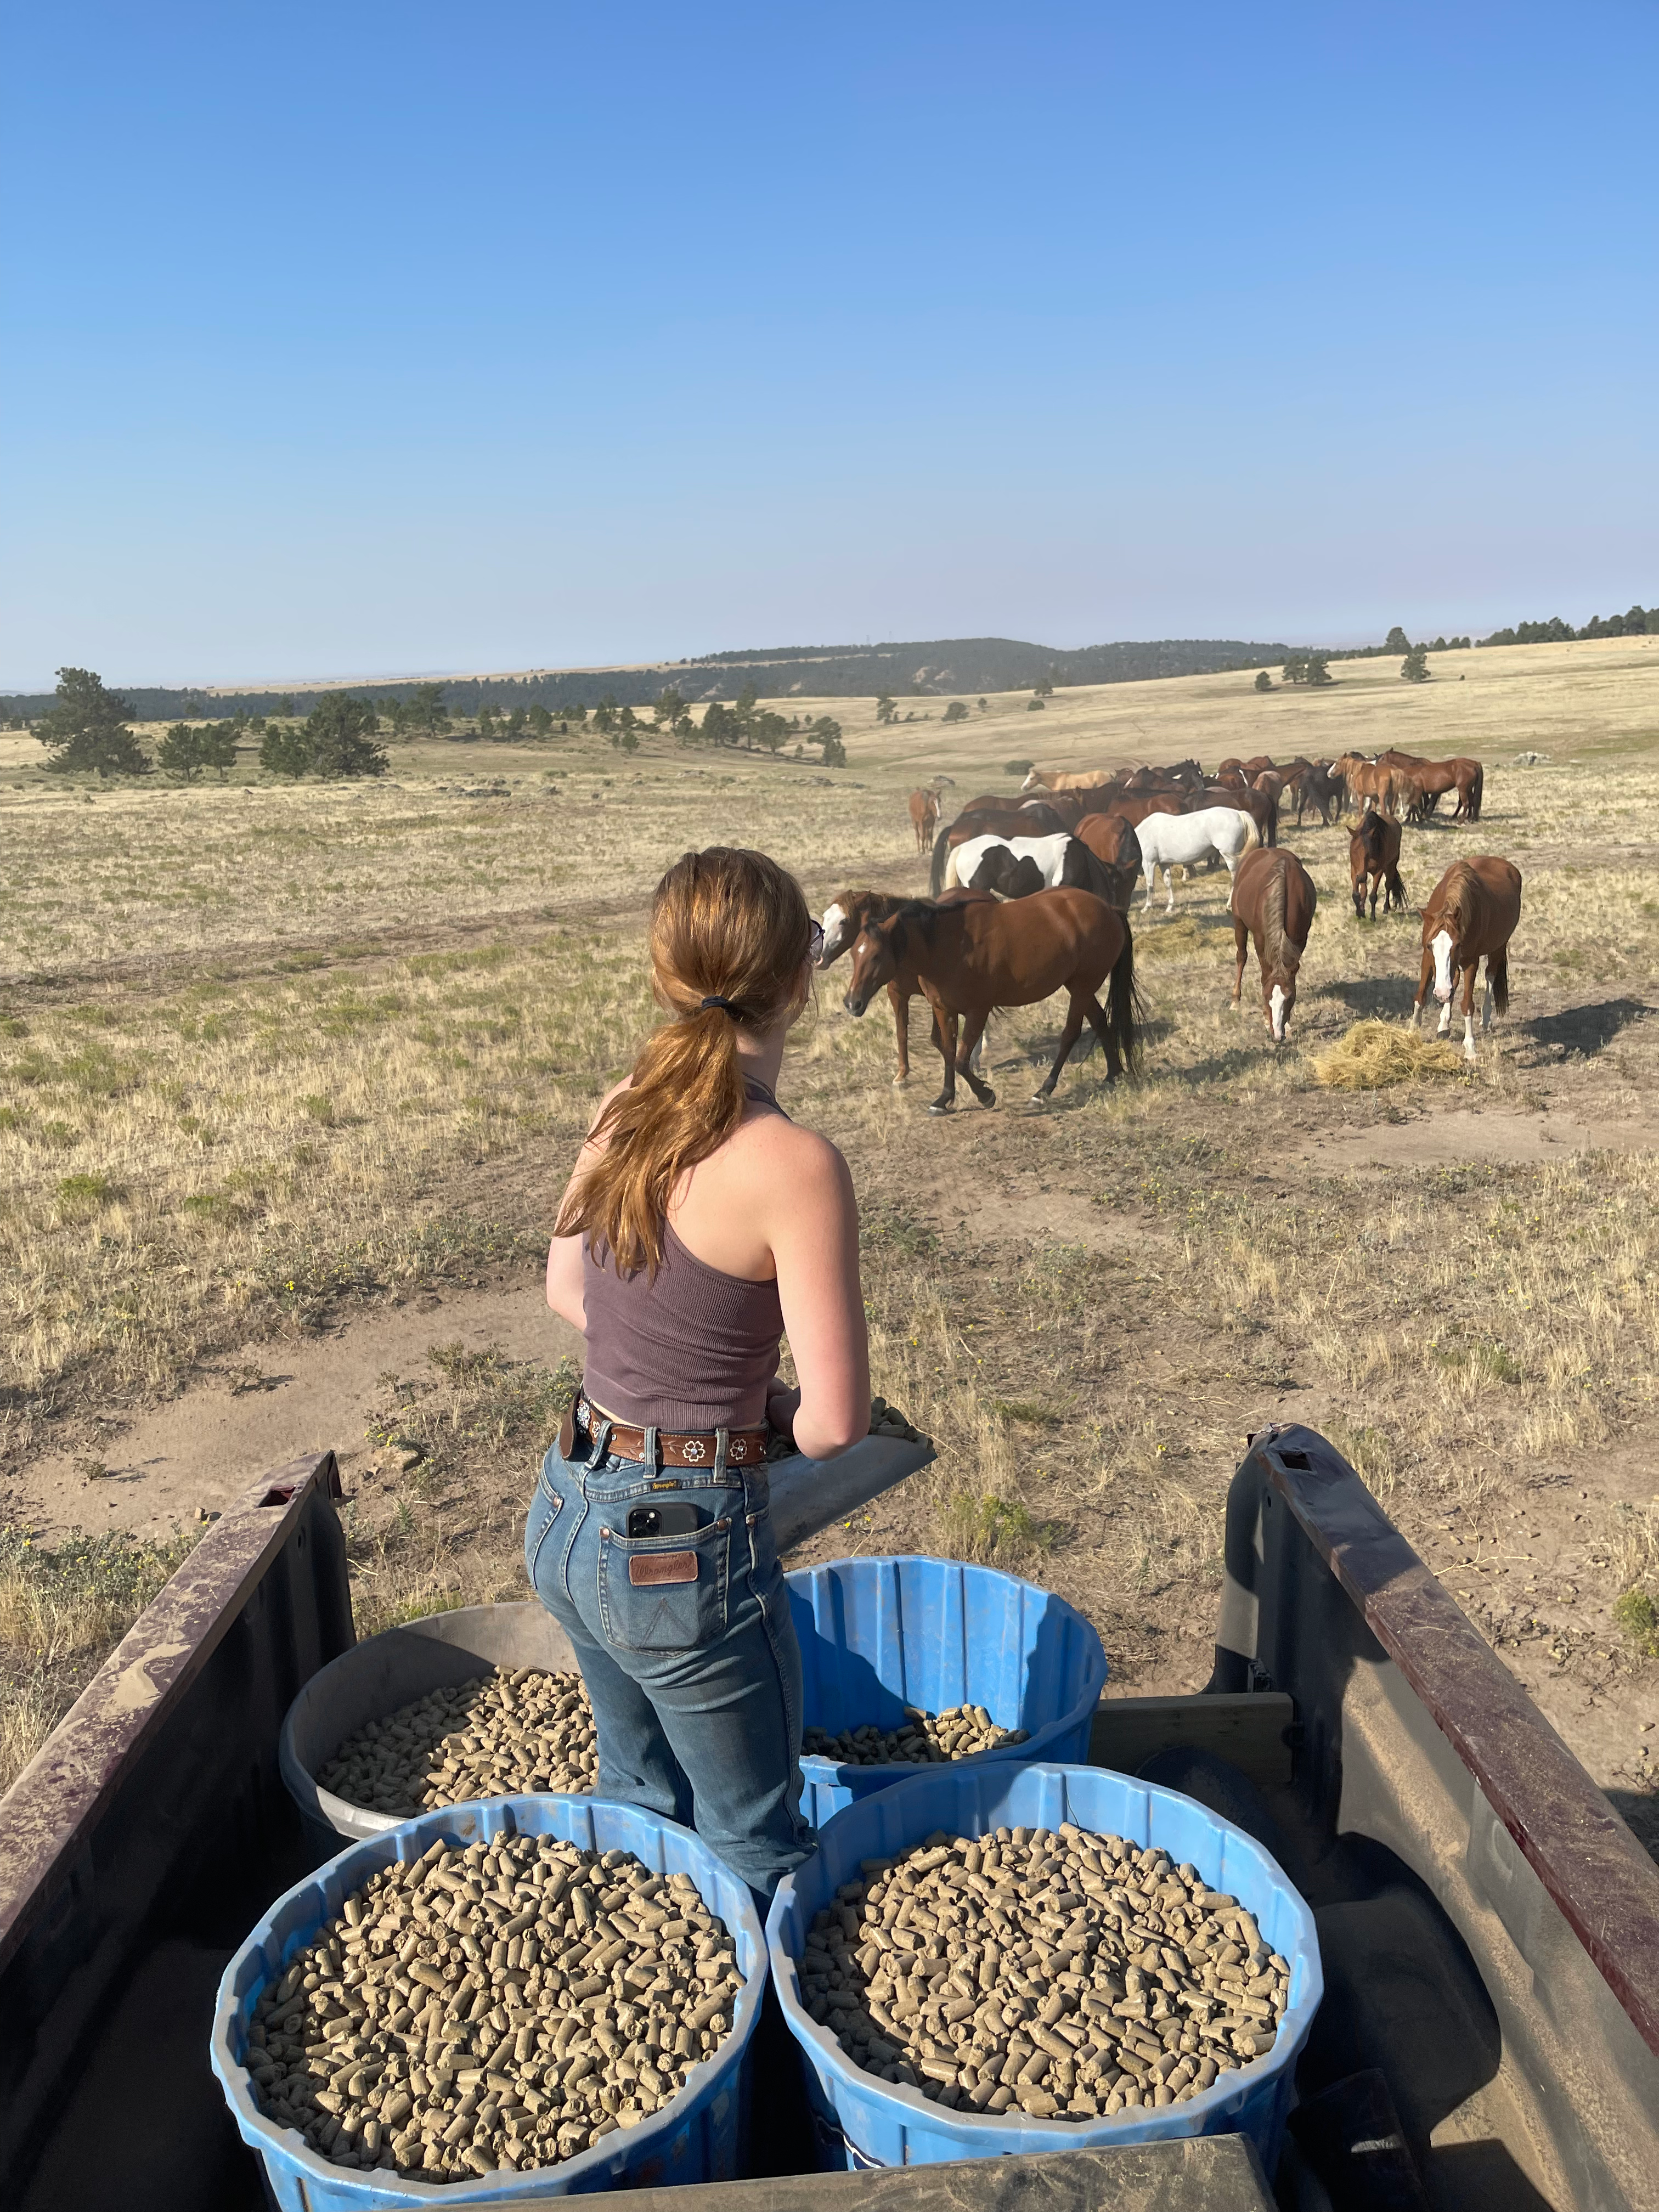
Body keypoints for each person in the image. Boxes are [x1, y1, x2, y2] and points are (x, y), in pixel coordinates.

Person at [533, 846, 870, 1897]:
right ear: (803, 978)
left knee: (640, 1798)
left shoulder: (622, 1104)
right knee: (757, 1839)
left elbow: (569, 1296)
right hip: (680, 1547)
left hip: (566, 1508)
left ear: (663, 976)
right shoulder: (795, 1164)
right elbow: (837, 1424)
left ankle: (666, 2006)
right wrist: (761, 1415)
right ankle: (766, 2051)